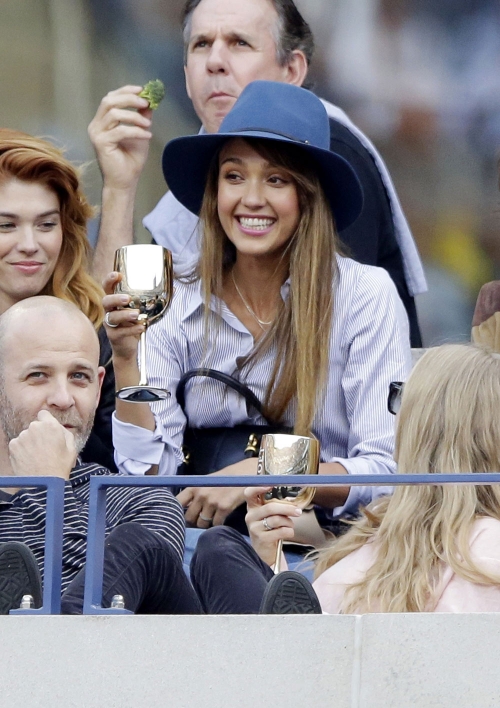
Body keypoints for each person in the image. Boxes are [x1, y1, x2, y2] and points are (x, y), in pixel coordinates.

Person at [104, 81, 411, 536]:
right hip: (196, 539)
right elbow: (146, 474)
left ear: (308, 195)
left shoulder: (365, 293)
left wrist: (263, 471)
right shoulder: (178, 292)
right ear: (214, 193)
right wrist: (127, 361)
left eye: (276, 179)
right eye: (233, 176)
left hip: (322, 548)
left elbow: (384, 469)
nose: (251, 198)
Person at [89, 0, 426, 347]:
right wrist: (119, 186)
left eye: (240, 43)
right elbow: (119, 341)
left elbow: (328, 352)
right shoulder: (193, 174)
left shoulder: (330, 155)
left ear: (292, 71)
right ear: (187, 76)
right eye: (202, 45)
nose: (215, 62)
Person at [188, 343, 500, 615]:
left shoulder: (487, 545)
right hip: (319, 662)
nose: (396, 417)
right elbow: (317, 618)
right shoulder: (385, 527)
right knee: (217, 547)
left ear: (425, 427)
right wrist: (271, 558)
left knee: (212, 548)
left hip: (356, 673)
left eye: (402, 399)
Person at [0, 297, 188, 615]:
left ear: (99, 387)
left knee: (134, 544)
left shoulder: (140, 502)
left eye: (79, 377)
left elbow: (85, 623)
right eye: (38, 376)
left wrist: (48, 489)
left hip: (103, 661)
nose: (63, 398)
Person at [0, 129, 115, 471]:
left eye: (46, 224)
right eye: (6, 225)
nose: (29, 244)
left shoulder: (93, 330)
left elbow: (128, 466)